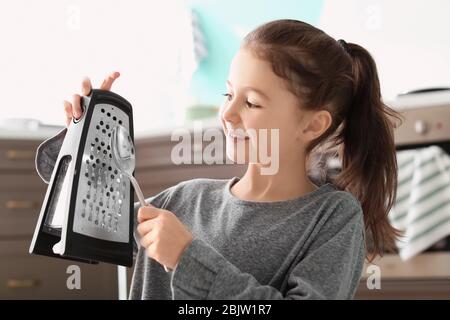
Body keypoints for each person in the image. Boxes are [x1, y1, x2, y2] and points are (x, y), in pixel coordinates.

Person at [61, 19, 400, 299]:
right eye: (228, 94)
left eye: (251, 102)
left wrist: (187, 258)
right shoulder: (182, 200)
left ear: (313, 124)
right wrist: (87, 142)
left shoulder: (332, 218)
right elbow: (79, 220)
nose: (228, 113)